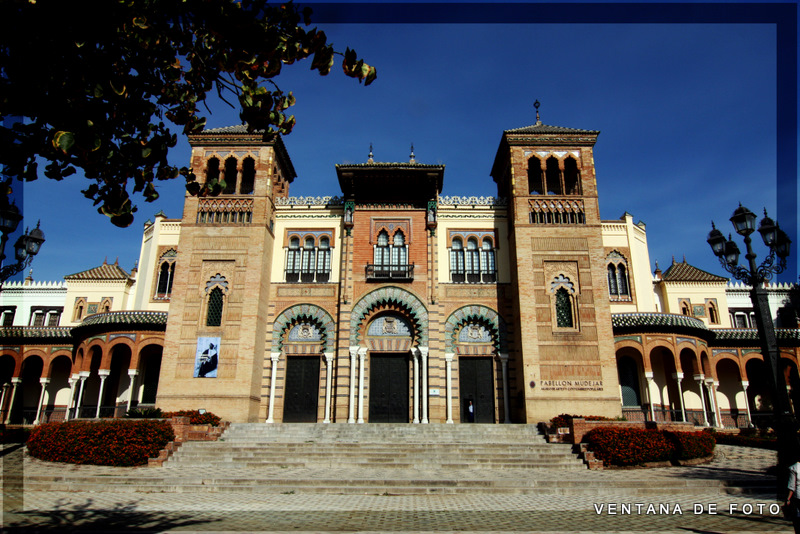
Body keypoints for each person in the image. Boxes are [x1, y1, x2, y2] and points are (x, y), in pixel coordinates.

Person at [788, 457, 800, 533]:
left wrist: (788, 499)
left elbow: (792, 487)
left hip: (798, 497)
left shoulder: (794, 467)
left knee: (797, 518)